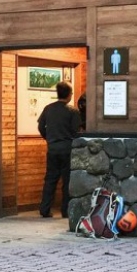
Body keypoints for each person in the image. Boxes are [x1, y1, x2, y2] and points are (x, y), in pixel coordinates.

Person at [37, 81, 82, 218]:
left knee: (50, 179)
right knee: (67, 181)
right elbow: (76, 131)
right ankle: (65, 211)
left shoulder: (48, 109)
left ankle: (45, 209)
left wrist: (48, 138)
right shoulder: (73, 111)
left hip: (52, 149)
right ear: (69, 95)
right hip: (68, 149)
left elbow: (40, 127)